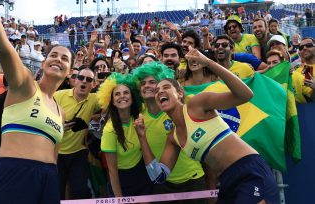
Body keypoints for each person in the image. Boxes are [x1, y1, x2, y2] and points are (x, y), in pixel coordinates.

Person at [134, 46, 279, 203]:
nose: (159, 92)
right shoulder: (173, 137)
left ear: (180, 93)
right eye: (156, 91)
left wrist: (208, 62)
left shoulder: (196, 104)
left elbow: (245, 95)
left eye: (166, 87)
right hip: (226, 180)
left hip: (249, 170)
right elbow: (159, 177)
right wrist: (142, 138)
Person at [0, 0, 74, 203]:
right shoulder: (24, 84)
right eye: (53, 55)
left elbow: (54, 152)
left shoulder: (60, 111)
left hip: (50, 179)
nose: (58, 60)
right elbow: (4, 48)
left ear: (70, 71)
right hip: (14, 174)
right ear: (43, 63)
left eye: (64, 58)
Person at [132, 62, 210, 204]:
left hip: (193, 180)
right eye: (143, 83)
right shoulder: (138, 117)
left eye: (152, 82)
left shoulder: (176, 110)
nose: (147, 86)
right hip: (163, 184)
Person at [98, 72, 153, 197]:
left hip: (141, 175)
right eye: (117, 94)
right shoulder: (109, 130)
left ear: (132, 97)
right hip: (121, 179)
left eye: (126, 92)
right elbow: (112, 171)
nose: (122, 96)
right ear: (112, 101)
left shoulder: (139, 118)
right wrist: (119, 199)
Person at [54, 66, 99, 200]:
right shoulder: (58, 95)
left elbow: (115, 97)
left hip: (78, 153)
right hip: (55, 154)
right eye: (80, 77)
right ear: (75, 80)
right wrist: (58, 125)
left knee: (81, 191)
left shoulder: (94, 99)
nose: (84, 81)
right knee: (56, 192)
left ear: (93, 84)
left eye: (89, 79)